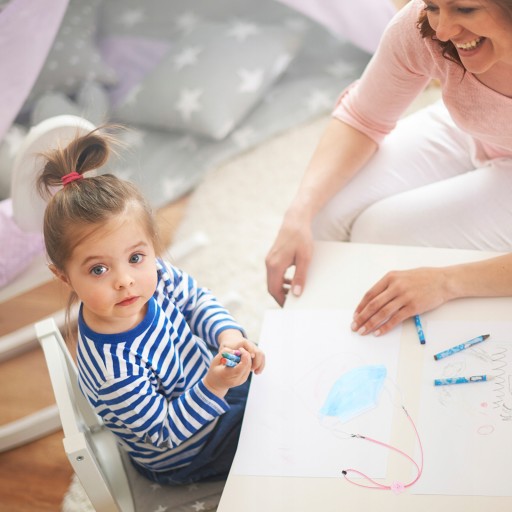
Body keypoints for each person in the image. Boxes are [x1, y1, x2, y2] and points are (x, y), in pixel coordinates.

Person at [266, 0, 512, 336]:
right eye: (433, 6)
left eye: (465, 10)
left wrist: (447, 281)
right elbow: (363, 116)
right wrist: (298, 213)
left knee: (380, 235)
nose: (442, 31)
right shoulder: (423, 26)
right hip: (476, 126)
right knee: (322, 216)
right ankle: (308, 337)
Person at [36, 126, 265, 485]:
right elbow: (164, 433)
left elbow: (196, 300)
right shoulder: (113, 369)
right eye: (98, 269)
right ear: (63, 276)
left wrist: (228, 337)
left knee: (281, 377)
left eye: (135, 257)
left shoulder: (155, 275)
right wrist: (215, 385)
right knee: (278, 445)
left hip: (209, 389)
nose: (125, 280)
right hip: (192, 449)